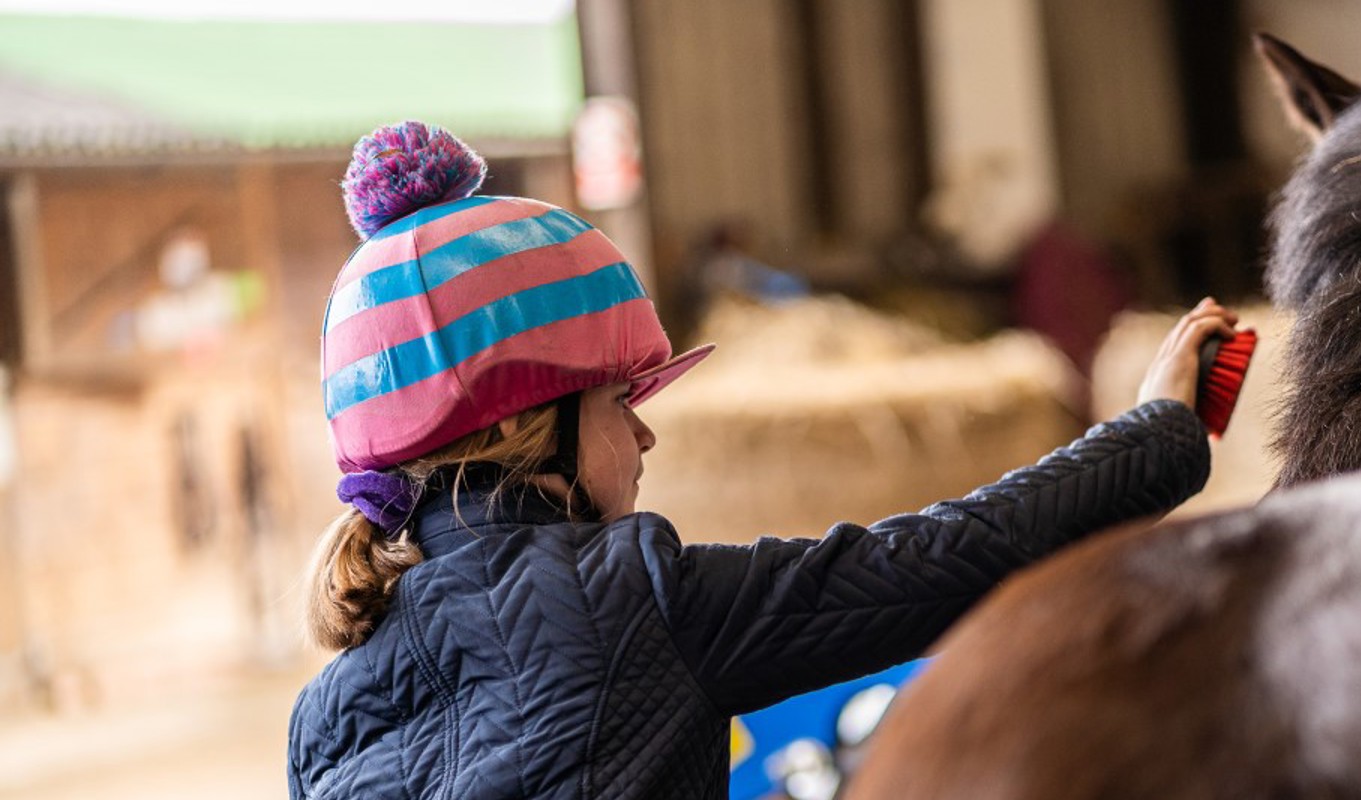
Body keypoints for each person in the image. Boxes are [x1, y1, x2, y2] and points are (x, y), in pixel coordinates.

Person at [286, 121, 1244, 800]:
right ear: (534, 433)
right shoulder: (628, 600)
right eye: (620, 403)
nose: (647, 435)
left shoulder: (320, 719)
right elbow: (949, 556)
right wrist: (1157, 429)